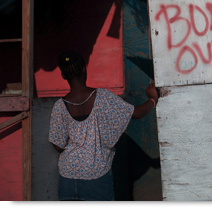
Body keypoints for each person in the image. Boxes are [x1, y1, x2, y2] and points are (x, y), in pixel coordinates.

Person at [48, 50, 158, 201]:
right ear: (84, 69)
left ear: (63, 75)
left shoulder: (59, 106)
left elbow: (58, 146)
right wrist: (153, 99)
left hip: (67, 177)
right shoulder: (102, 97)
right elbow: (136, 113)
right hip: (95, 175)